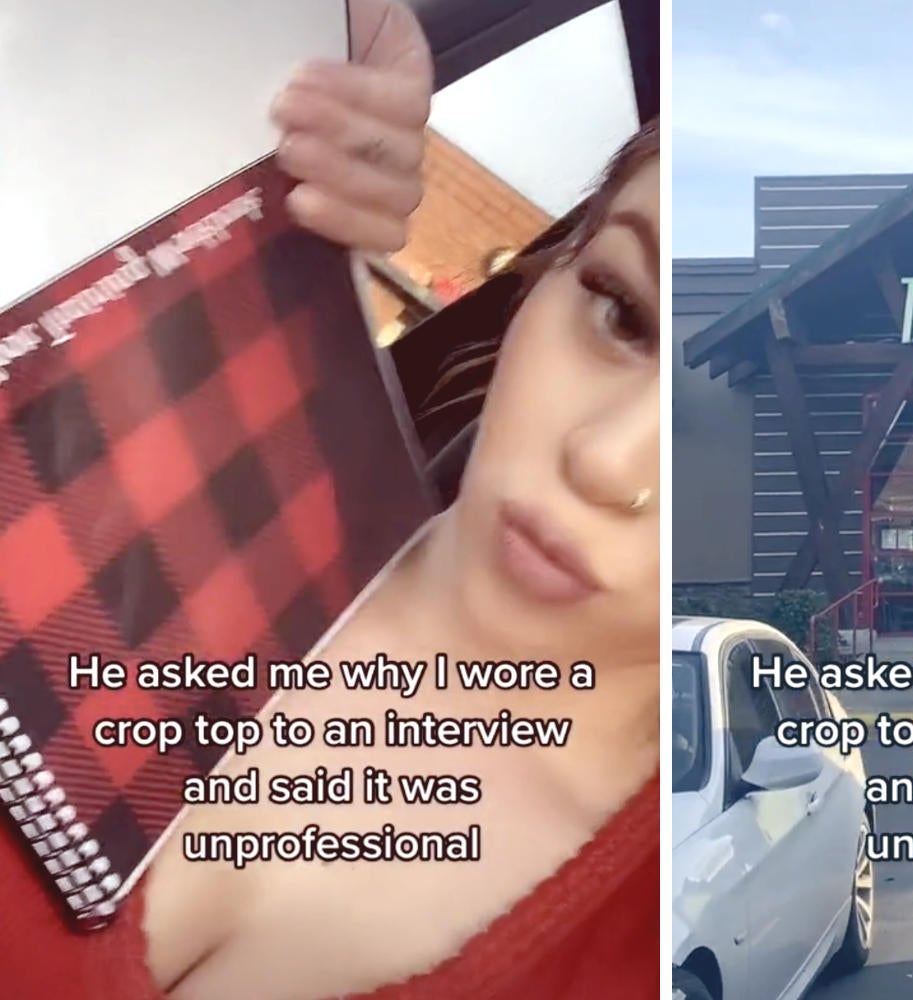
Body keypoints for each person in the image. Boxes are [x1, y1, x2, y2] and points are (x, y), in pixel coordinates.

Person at [2, 4, 663, 999]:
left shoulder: (670, 920)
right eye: (623, 310)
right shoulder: (167, 423)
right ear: (545, 279)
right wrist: (215, 54)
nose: (610, 463)